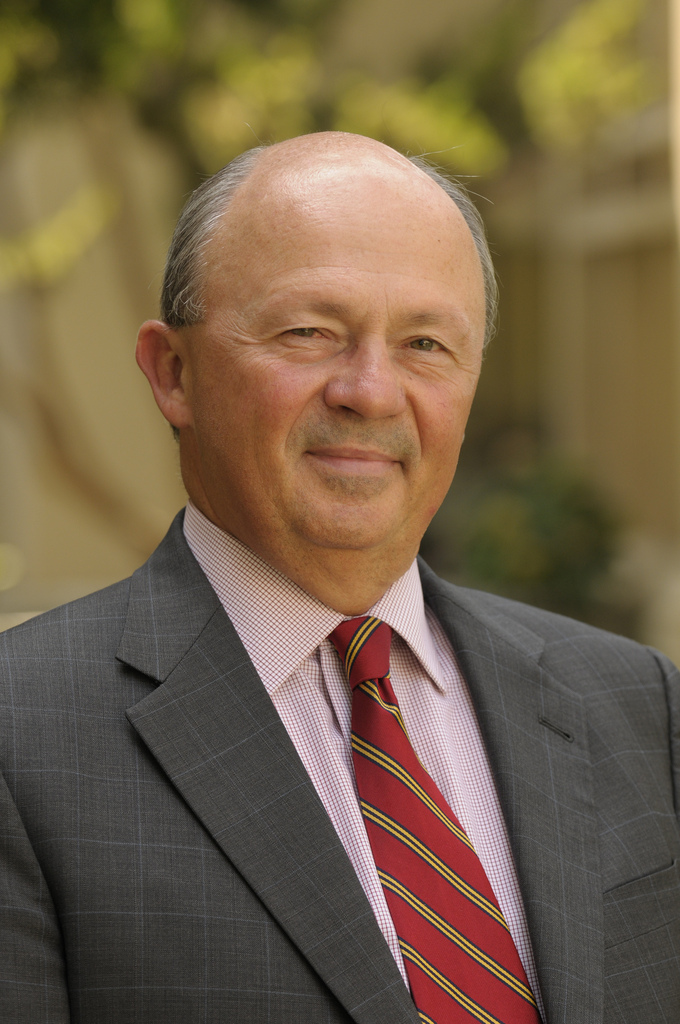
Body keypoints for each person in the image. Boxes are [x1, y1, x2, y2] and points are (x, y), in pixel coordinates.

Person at [0, 132, 678, 1024]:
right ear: (173, 374)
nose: (371, 391)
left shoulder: (636, 704)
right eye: (309, 333)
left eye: (425, 343)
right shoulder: (20, 738)